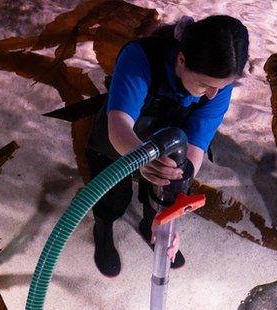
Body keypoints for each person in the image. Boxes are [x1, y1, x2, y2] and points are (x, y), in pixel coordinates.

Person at [85, 15, 249, 277]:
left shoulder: (218, 84)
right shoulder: (139, 57)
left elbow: (196, 144)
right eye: (205, 84)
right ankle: (104, 226)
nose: (212, 95)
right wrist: (140, 159)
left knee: (164, 189)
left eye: (221, 87)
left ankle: (151, 225)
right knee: (112, 196)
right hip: (118, 143)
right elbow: (118, 125)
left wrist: (170, 216)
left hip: (171, 149)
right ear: (181, 60)